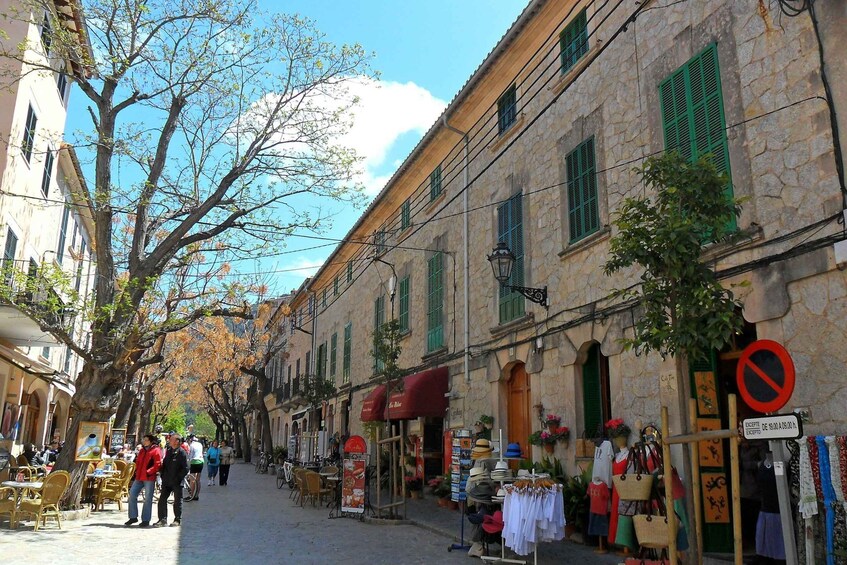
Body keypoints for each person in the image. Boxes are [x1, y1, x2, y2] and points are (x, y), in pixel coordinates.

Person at [125, 434, 162, 527]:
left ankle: (146, 519)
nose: (144, 441)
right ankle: (133, 517)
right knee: (132, 495)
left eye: (146, 440)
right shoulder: (142, 450)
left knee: (148, 499)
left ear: (151, 441)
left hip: (149, 477)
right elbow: (137, 462)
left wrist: (149, 472)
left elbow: (157, 464)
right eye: (143, 439)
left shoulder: (156, 450)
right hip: (139, 477)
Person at [154, 432, 188, 527]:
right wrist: (162, 475)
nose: (169, 440)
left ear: (177, 441)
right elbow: (164, 464)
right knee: (162, 500)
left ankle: (177, 519)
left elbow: (185, 468)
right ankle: (162, 519)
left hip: (177, 482)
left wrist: (178, 478)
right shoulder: (169, 450)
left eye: (171, 439)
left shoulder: (182, 453)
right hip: (167, 480)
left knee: (177, 501)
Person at [188, 435, 204, 500]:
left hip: (194, 462)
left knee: (192, 480)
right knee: (198, 480)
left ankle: (192, 495)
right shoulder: (200, 444)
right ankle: (197, 495)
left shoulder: (191, 445)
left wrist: (188, 461)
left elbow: (191, 455)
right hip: (201, 461)